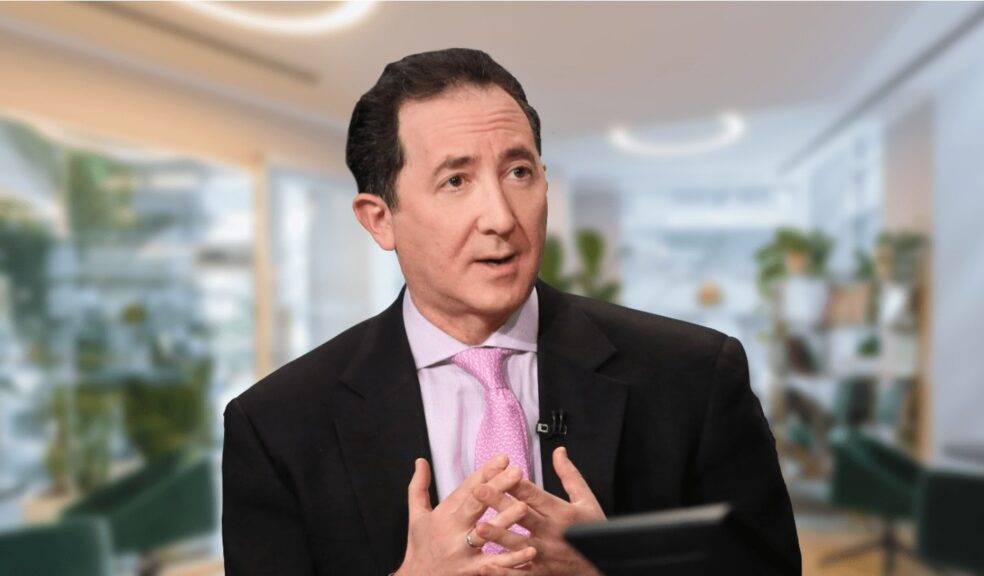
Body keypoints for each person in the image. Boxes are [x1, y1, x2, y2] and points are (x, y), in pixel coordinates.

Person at [222, 48, 801, 576]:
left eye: (519, 172)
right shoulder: (277, 424)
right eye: (456, 180)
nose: (500, 217)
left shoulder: (694, 377)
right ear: (380, 219)